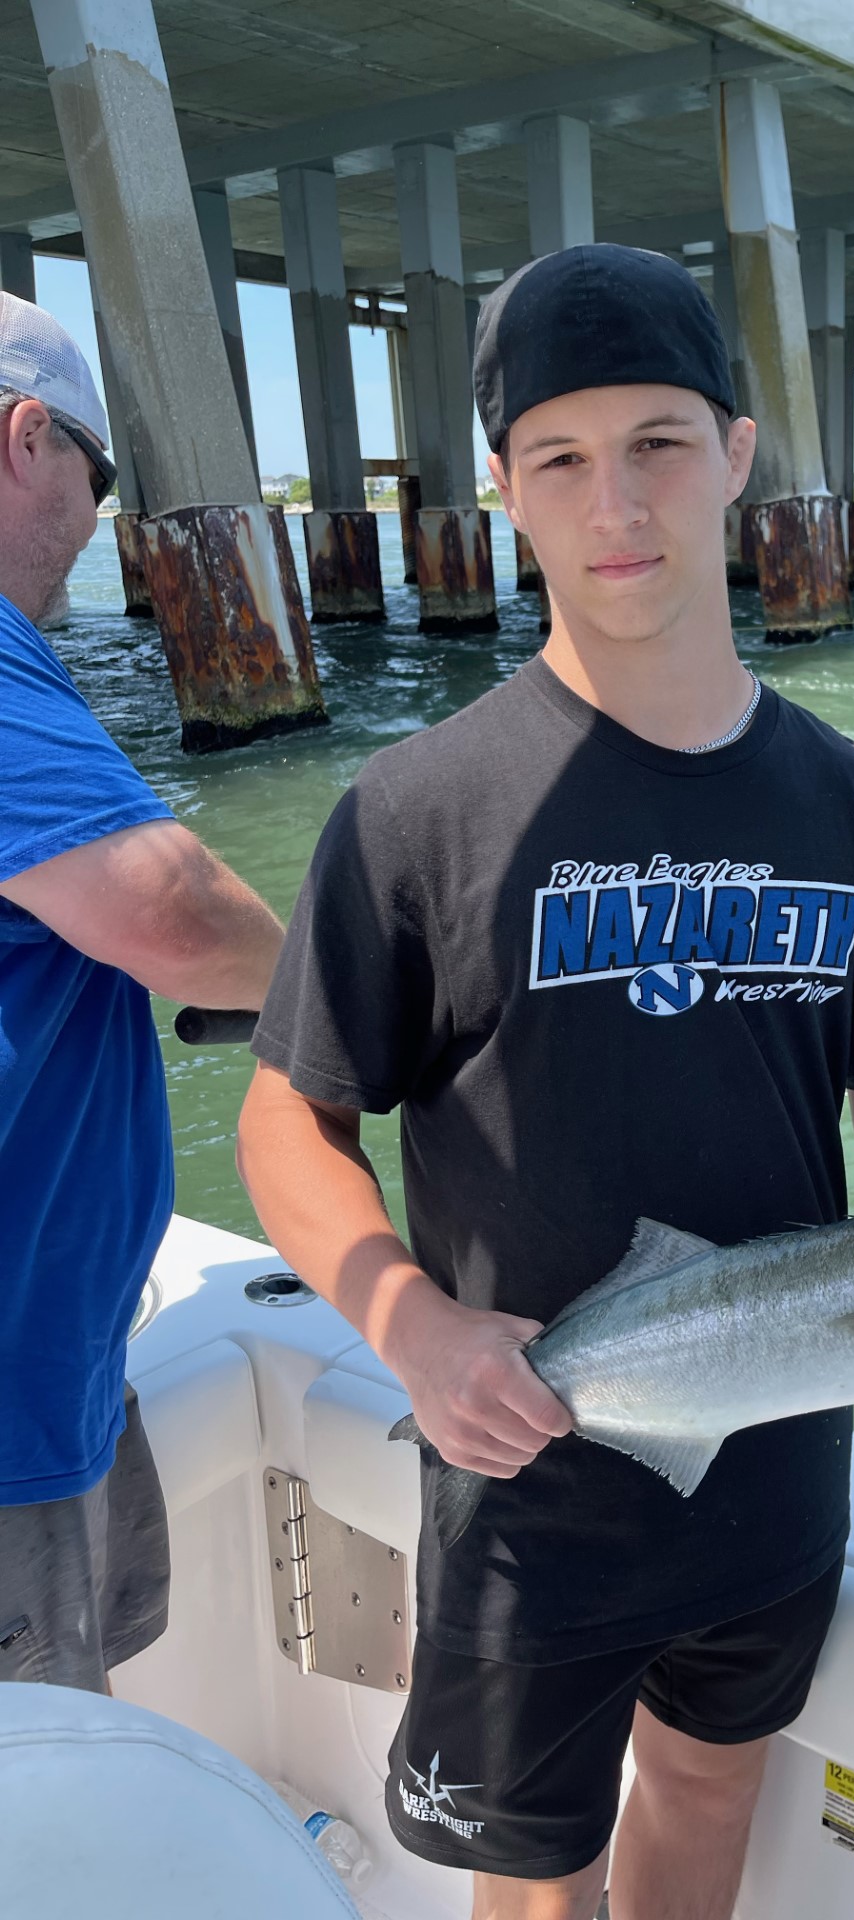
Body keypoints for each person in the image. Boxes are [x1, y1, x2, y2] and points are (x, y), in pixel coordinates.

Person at [236, 243, 854, 1920]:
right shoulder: (414, 811)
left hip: (779, 1454)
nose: (618, 503)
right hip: (525, 1489)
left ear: (737, 453)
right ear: (504, 491)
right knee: (533, 1883)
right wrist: (413, 1328)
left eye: (658, 443)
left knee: (711, 1796)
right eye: (561, 459)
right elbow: (289, 1116)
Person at [0, 293, 286, 1695]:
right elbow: (167, 914)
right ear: (25, 439)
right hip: (8, 1404)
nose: (99, 517)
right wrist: (359, 992)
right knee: (44, 1781)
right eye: (97, 476)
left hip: (51, 1355)